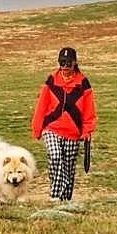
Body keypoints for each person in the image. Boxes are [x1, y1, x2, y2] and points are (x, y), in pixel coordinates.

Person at [31, 46, 97, 202]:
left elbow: (89, 111)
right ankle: (55, 196)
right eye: (62, 62)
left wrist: (87, 131)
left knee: (68, 167)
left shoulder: (83, 83)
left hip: (73, 132)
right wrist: (37, 128)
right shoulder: (51, 81)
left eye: (68, 63)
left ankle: (65, 200)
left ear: (74, 63)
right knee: (55, 157)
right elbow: (41, 105)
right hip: (51, 128)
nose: (65, 66)